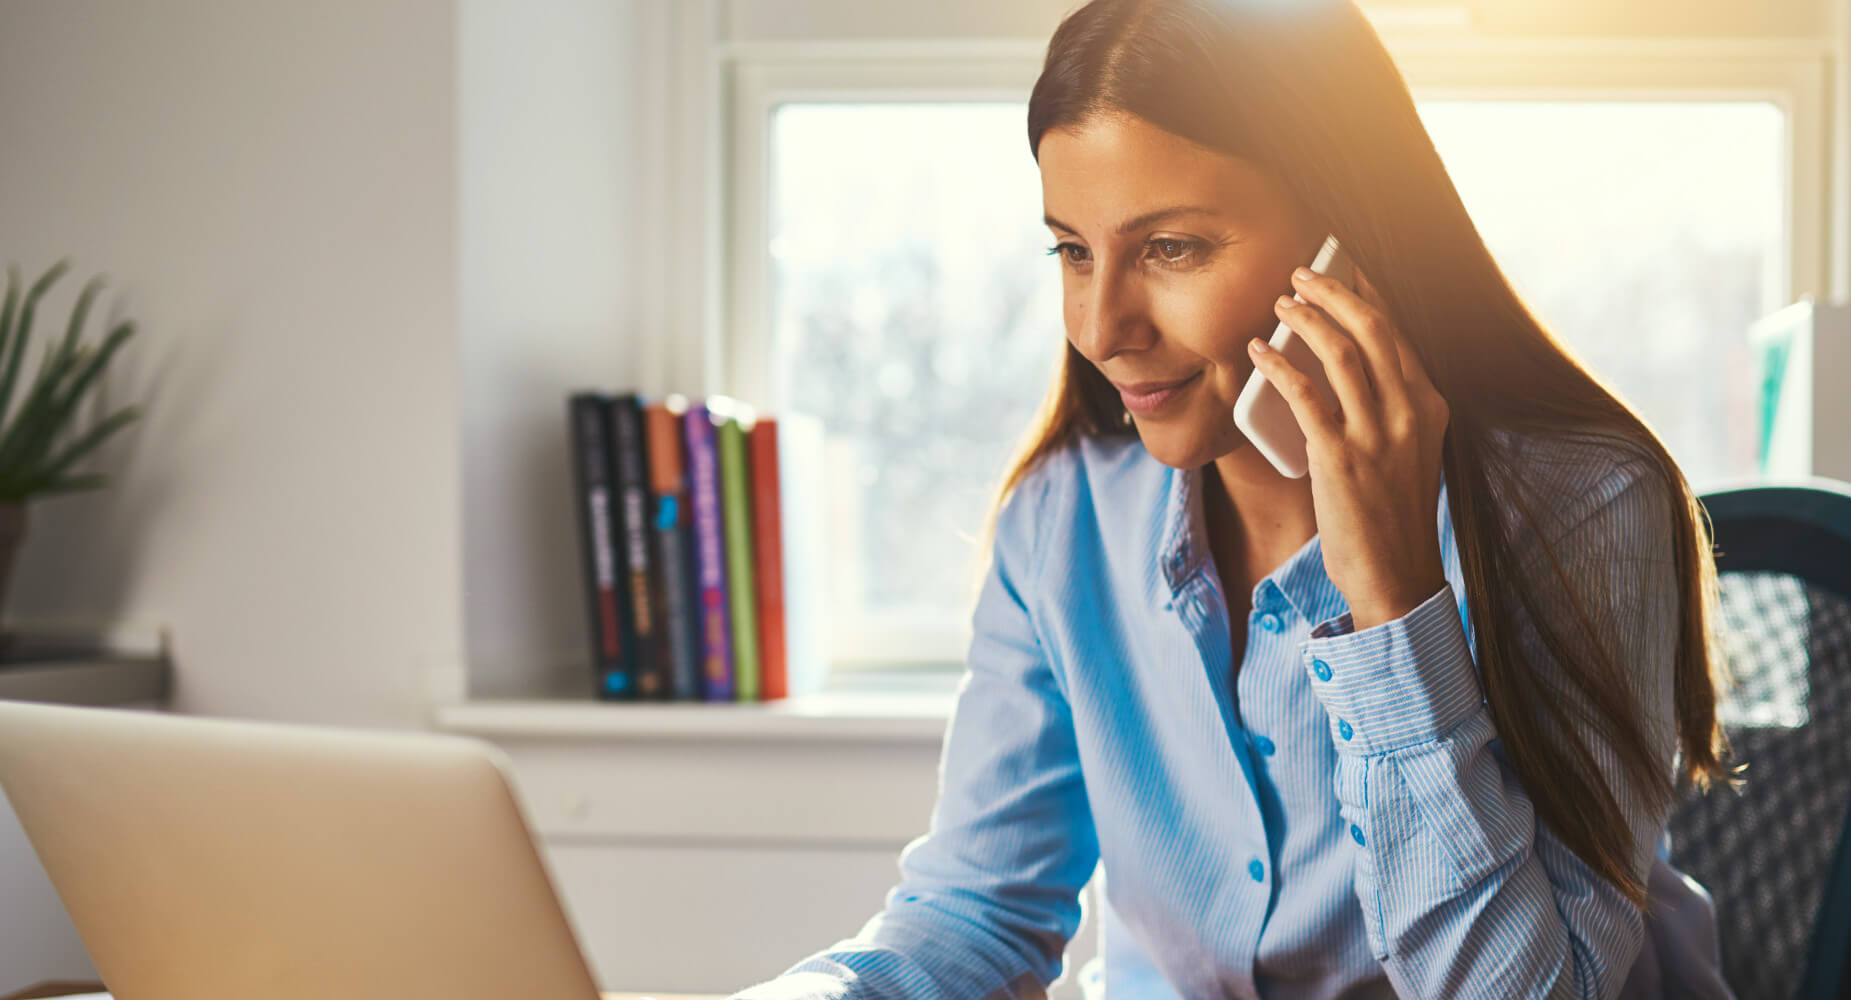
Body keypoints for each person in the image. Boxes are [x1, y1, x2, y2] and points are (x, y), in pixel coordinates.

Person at [726, 1, 1741, 996]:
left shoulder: (1582, 507)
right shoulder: (1066, 515)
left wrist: (1391, 607)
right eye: (1072, 251)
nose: (1099, 326)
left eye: (1171, 248)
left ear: (1350, 240)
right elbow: (977, 912)